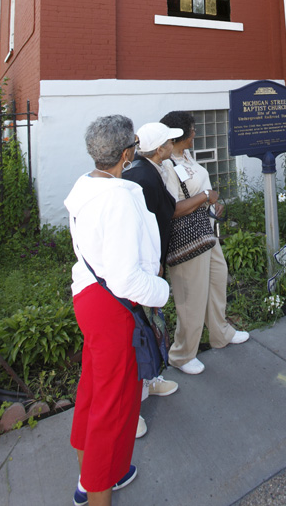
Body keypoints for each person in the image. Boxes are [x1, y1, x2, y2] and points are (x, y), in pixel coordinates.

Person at [66, 115, 170, 506]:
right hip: (116, 306)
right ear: (127, 153)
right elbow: (127, 278)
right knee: (115, 405)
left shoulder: (84, 186)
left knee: (93, 389)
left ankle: (87, 474)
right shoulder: (121, 198)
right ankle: (97, 492)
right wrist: (161, 290)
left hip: (89, 297)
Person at [160, 110, 249, 374]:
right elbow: (172, 208)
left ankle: (220, 332)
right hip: (187, 239)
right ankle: (182, 354)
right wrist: (206, 197)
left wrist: (214, 203)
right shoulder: (166, 165)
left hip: (206, 231)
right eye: (193, 130)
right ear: (181, 135)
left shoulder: (185, 156)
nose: (196, 134)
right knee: (191, 295)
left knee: (217, 279)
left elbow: (198, 190)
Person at [124, 122, 184, 419]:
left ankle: (150, 380)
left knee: (150, 324)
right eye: (170, 142)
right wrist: (151, 262)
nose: (174, 145)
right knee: (143, 328)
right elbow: (145, 225)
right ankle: (137, 397)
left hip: (149, 263)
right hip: (143, 268)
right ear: (159, 149)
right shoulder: (143, 176)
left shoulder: (144, 169)